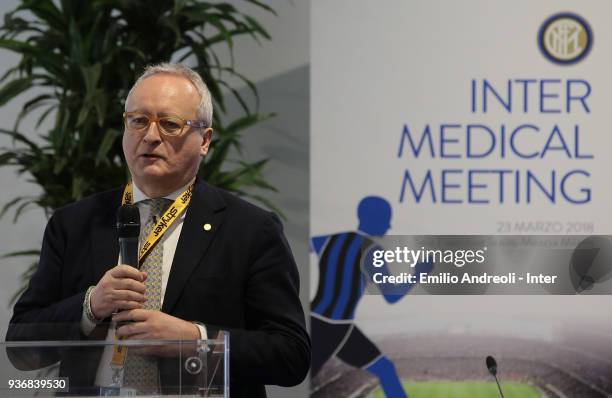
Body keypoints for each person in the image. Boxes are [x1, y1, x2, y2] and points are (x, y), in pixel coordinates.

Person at [6, 63, 310, 397]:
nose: (150, 136)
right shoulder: (74, 223)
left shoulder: (251, 230)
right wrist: (91, 305)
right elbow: (20, 346)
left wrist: (196, 340)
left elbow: (291, 354)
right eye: (138, 121)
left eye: (169, 124)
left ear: (204, 139)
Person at [310, 196, 431, 398]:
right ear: (374, 219)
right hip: (333, 327)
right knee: (300, 377)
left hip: (331, 323)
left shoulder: (328, 240)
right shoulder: (371, 251)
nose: (389, 226)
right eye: (387, 219)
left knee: (385, 369)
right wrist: (418, 273)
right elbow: (391, 296)